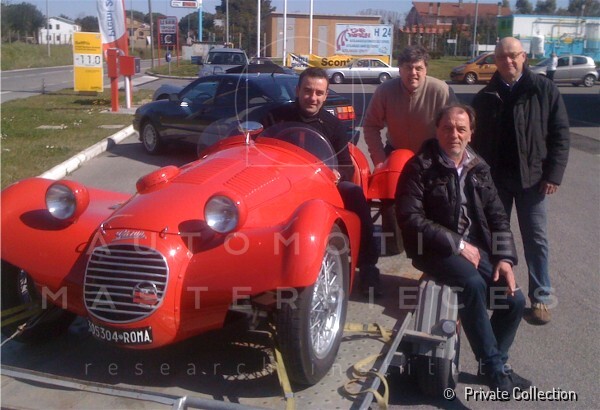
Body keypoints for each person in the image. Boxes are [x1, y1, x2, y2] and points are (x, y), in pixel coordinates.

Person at [395, 103, 531, 393]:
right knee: (472, 284)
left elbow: (498, 217)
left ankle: (493, 364)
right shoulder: (420, 167)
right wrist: (457, 244)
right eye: (447, 128)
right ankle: (495, 369)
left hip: (475, 249)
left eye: (461, 129)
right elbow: (410, 218)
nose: (454, 134)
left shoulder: (479, 168)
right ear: (437, 130)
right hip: (433, 249)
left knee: (514, 301)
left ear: (471, 133)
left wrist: (505, 258)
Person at [471, 37, 570, 325]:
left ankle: (541, 297)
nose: (509, 61)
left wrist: (553, 174)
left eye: (513, 55)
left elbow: (560, 135)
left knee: (536, 239)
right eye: (502, 57)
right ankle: (498, 293)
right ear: (495, 60)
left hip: (533, 181)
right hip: (496, 182)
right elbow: (474, 143)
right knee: (496, 239)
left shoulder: (543, 90)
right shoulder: (485, 96)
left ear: (524, 56)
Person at [262, 67, 382, 296]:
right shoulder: (274, 117)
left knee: (354, 193)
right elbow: (259, 153)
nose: (313, 97)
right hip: (281, 183)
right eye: (308, 91)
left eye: (319, 93)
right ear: (298, 91)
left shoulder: (333, 124)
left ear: (326, 95)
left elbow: (345, 164)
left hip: (321, 186)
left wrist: (337, 174)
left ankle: (368, 265)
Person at [363, 45, 455, 167]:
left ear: (426, 70)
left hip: (431, 156)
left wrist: (449, 159)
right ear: (400, 70)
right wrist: (379, 160)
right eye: (408, 68)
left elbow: (456, 128)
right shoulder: (385, 91)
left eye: (418, 68)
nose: (413, 73)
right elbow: (371, 126)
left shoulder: (442, 91)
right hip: (395, 154)